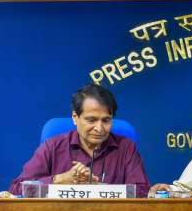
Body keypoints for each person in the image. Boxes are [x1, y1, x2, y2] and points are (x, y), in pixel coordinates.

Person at [9, 84, 150, 197]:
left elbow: (142, 192)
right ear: (75, 118)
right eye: (91, 120)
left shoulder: (126, 148)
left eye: (106, 120)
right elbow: (17, 189)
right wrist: (60, 180)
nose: (99, 128)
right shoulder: (52, 147)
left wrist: (98, 189)